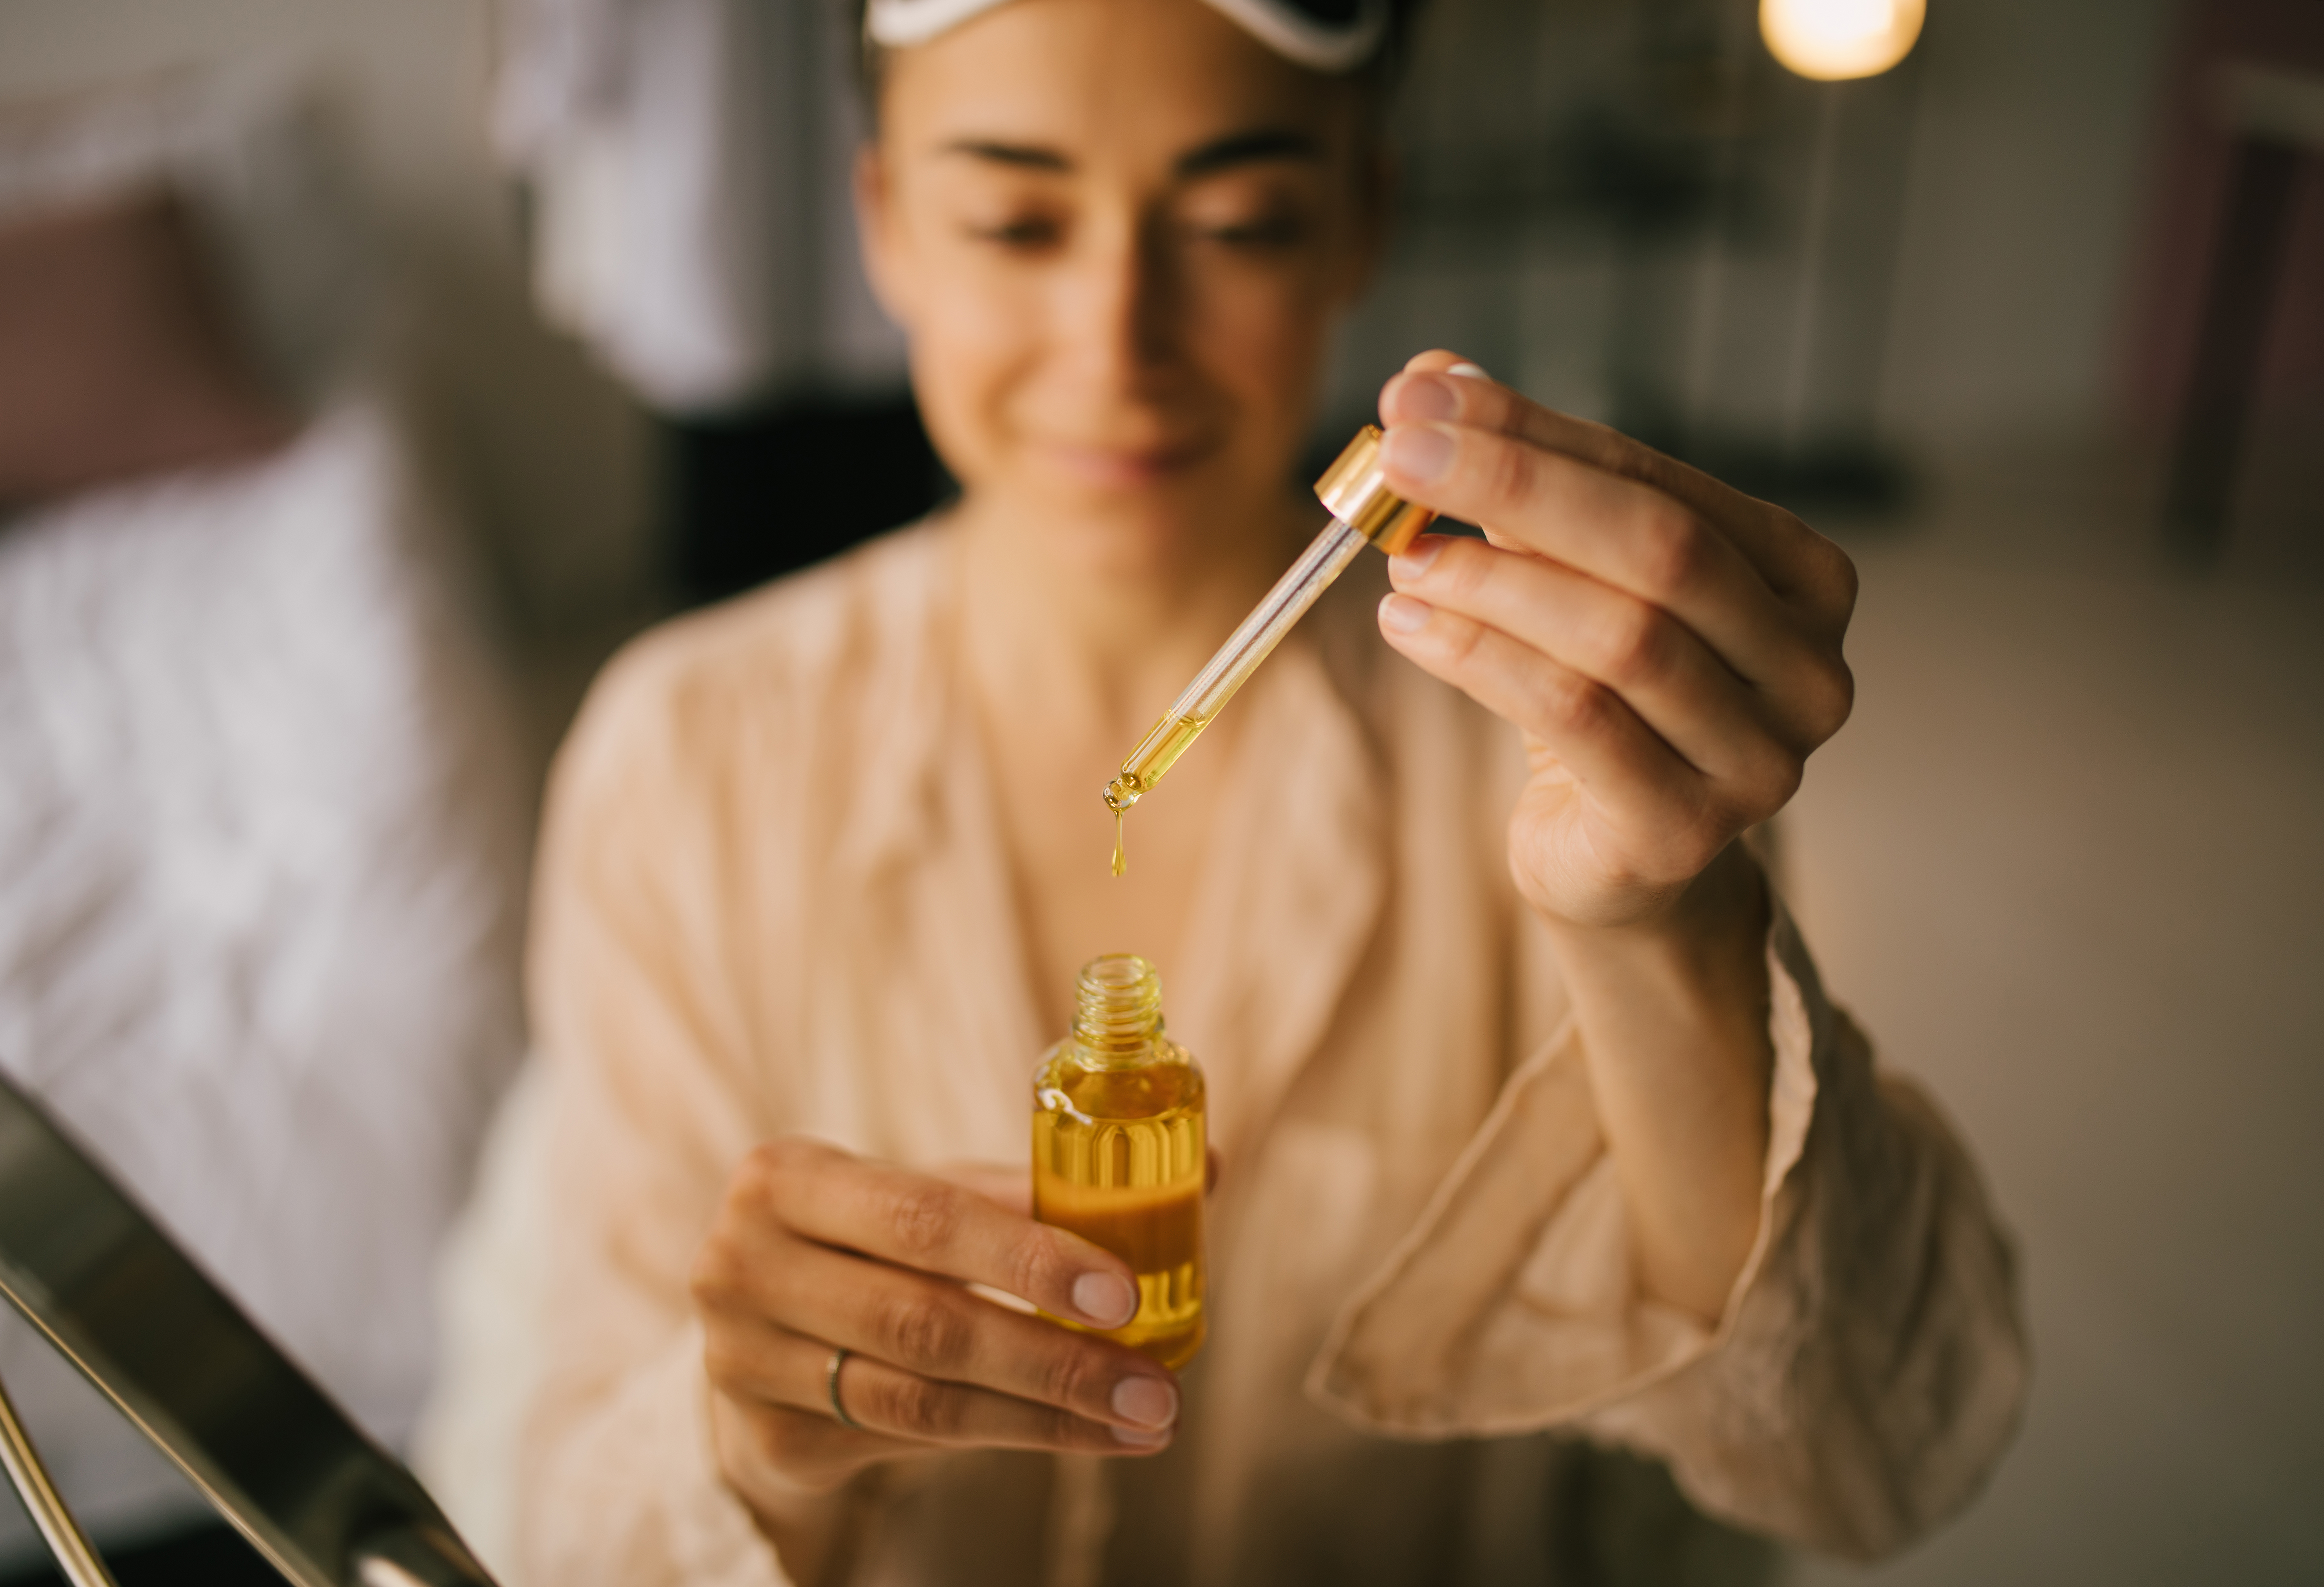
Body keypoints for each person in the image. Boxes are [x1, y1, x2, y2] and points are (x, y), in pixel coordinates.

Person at [503, 0, 2027, 1582]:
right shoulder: (687, 756)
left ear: (1360, 215)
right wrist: (762, 1453)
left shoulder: (1569, 734)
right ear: (886, 221)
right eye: (1018, 221)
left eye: (1238, 222)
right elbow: (557, 1514)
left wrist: (1664, 930)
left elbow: (1864, 1463)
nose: (1117, 345)